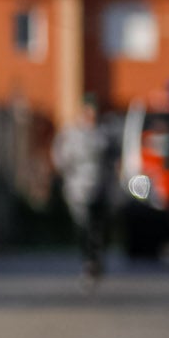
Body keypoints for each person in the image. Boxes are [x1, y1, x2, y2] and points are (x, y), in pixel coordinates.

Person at [51, 95, 111, 285]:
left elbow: (110, 159)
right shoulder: (71, 133)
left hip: (99, 186)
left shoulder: (103, 133)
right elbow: (60, 157)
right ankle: (88, 261)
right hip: (77, 188)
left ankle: (95, 259)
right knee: (83, 225)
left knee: (97, 227)